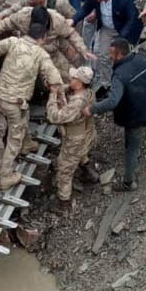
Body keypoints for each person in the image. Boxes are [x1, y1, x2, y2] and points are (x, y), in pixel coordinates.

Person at [0, 19, 63, 190]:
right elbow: (52, 74)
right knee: (13, 139)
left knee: (25, 115)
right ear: (42, 37)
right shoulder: (41, 54)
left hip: (1, 97)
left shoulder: (12, 42)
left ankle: (27, 143)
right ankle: (6, 175)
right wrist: (58, 91)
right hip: (15, 102)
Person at [83, 38, 146, 192]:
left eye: (111, 54)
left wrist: (91, 109)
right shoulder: (141, 59)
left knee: (132, 148)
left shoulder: (119, 75)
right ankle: (134, 150)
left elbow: (112, 102)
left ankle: (128, 182)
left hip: (134, 115)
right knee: (134, 138)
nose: (109, 56)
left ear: (119, 55)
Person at [0, 3, 94, 77]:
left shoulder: (57, 20)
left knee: (65, 76)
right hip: (28, 49)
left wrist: (82, 50)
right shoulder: (23, 16)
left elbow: (71, 34)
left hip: (51, 50)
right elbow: (4, 24)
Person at [71, 0, 143, 92]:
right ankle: (107, 84)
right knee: (104, 55)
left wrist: (120, 39)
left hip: (123, 29)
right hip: (107, 27)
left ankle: (129, 81)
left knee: (125, 56)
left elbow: (132, 19)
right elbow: (86, 8)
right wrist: (73, 20)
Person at [46, 66, 98, 215]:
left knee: (64, 170)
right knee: (81, 153)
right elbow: (70, 88)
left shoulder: (76, 102)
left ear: (80, 83)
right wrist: (60, 87)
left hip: (75, 139)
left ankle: (64, 204)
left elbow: (54, 116)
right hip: (87, 133)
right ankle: (90, 173)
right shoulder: (89, 92)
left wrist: (52, 95)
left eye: (74, 78)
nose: (71, 79)